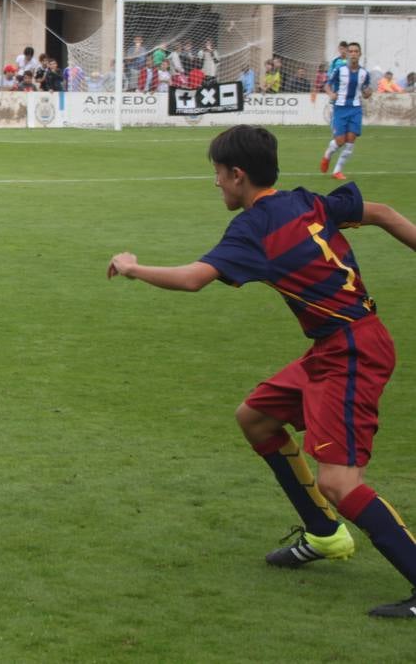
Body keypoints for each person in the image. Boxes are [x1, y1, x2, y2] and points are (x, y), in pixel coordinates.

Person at [107, 124, 416, 619]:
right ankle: (322, 532)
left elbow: (192, 281)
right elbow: (379, 213)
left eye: (217, 175)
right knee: (255, 417)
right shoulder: (303, 201)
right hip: (333, 347)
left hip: (352, 352)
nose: (216, 184)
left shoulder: (254, 228)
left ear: (237, 175)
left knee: (340, 480)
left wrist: (132, 267)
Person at [320, 42, 372, 180]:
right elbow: (327, 85)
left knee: (350, 142)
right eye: (351, 51)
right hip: (340, 108)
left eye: (356, 51)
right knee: (340, 141)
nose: (353, 54)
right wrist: (331, 94)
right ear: (347, 54)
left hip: (355, 109)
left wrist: (368, 92)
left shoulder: (364, 73)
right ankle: (327, 155)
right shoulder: (339, 70)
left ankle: (337, 171)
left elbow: (366, 91)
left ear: (360, 54)